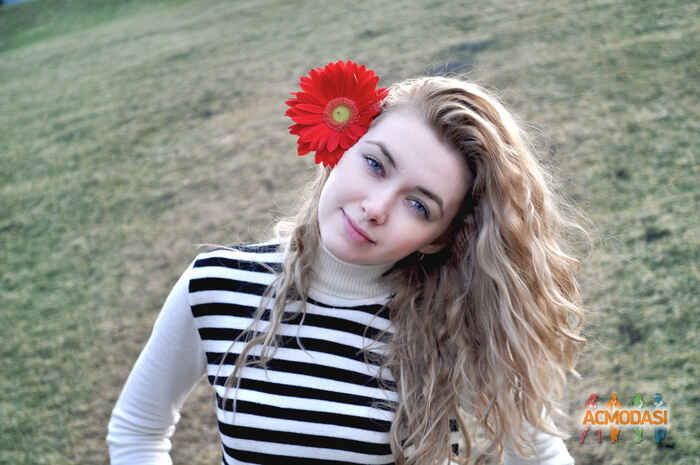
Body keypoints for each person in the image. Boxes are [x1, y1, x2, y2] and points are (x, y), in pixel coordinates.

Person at [107, 60, 587, 465]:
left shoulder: (458, 321)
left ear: (438, 239)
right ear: (341, 147)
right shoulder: (216, 285)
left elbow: (540, 456)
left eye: (418, 205)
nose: (376, 207)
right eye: (375, 164)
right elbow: (137, 433)